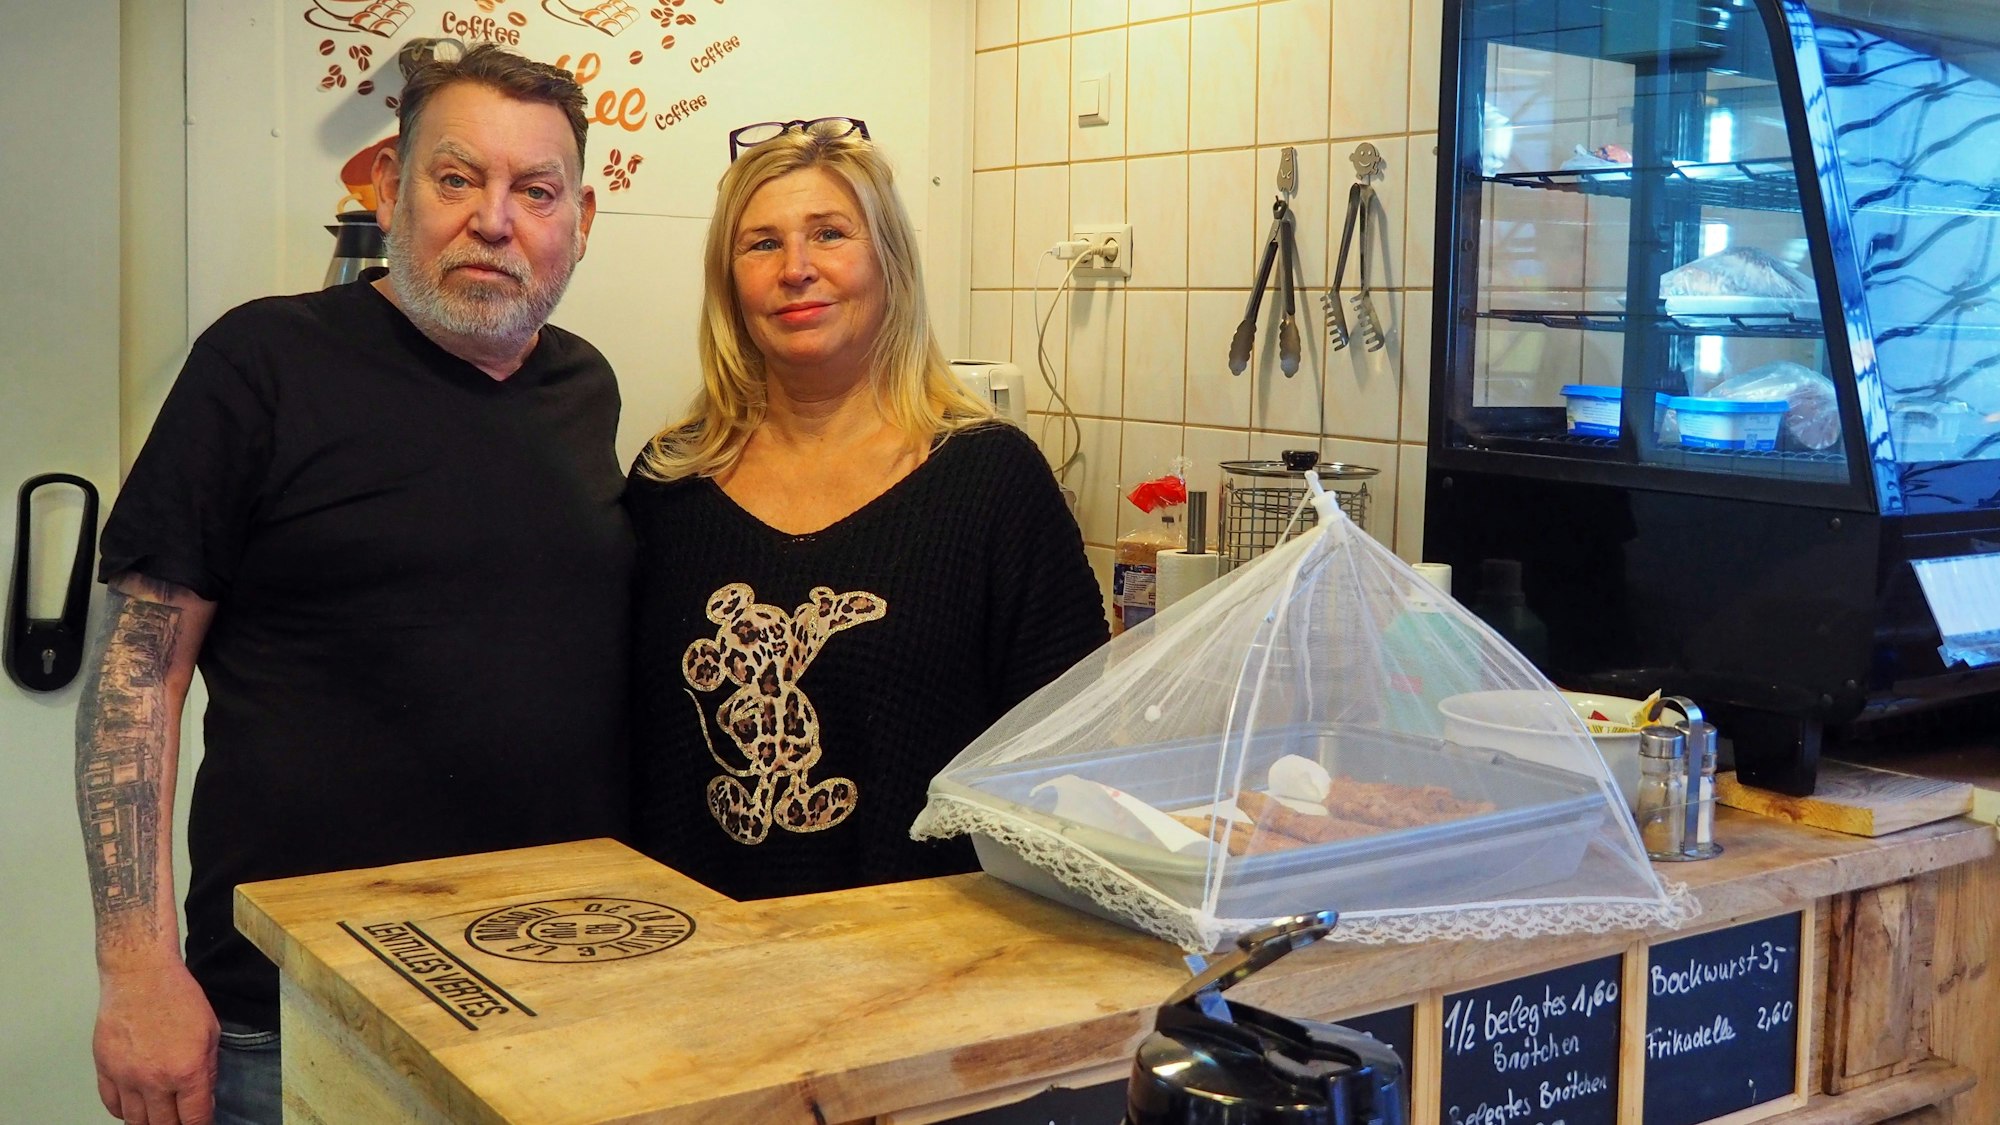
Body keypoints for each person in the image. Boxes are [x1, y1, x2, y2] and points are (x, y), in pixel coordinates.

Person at [75, 45, 628, 1125]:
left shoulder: (586, 384)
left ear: (581, 219)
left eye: (535, 191)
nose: (494, 220)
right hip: (292, 1013)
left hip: (549, 1005)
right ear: (390, 189)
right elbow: (137, 674)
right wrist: (135, 970)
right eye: (456, 178)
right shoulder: (263, 362)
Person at [626, 118, 1108, 900]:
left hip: (923, 974)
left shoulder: (991, 483)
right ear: (728, 283)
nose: (797, 268)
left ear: (889, 263)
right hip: (700, 972)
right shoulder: (669, 484)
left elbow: (1066, 761)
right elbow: (634, 748)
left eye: (830, 234)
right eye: (762, 244)